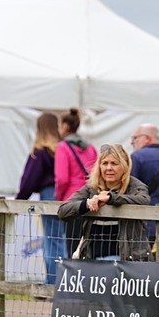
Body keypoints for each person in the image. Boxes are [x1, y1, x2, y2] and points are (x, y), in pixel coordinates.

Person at [58, 143, 152, 317]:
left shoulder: (136, 186)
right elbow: (63, 209)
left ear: (125, 166)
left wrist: (111, 198)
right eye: (105, 163)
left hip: (131, 264)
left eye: (114, 163)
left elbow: (143, 200)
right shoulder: (90, 188)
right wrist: (86, 204)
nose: (109, 168)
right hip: (99, 266)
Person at [16, 112, 65, 286]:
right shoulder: (63, 149)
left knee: (52, 241)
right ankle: (65, 284)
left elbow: (29, 179)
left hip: (49, 196)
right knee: (64, 241)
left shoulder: (41, 151)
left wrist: (19, 200)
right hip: (67, 196)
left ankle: (53, 284)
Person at [54, 108, 96, 258]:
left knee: (72, 246)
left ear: (65, 126)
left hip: (72, 201)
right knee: (89, 244)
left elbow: (62, 179)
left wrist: (59, 198)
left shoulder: (62, 147)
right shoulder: (90, 147)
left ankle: (73, 277)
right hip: (91, 200)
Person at [129, 123, 159, 245]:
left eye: (135, 138)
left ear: (147, 138)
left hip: (144, 222)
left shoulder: (136, 157)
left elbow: (130, 189)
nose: (132, 142)